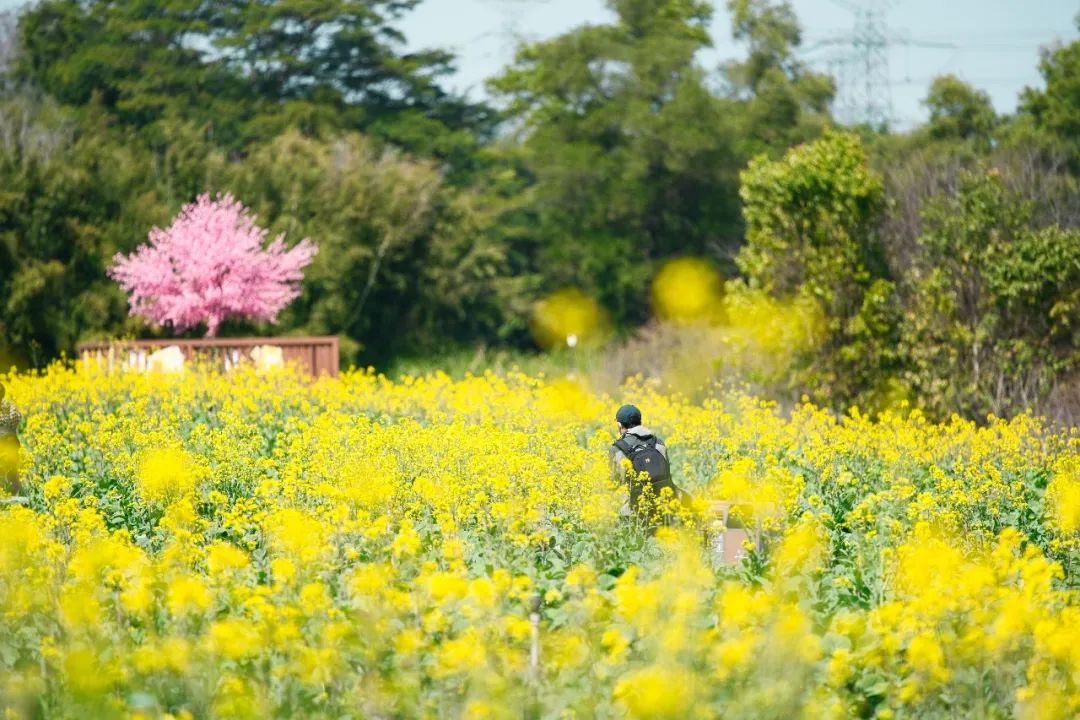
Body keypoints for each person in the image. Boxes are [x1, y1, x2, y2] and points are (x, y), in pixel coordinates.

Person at [611, 404, 688, 529]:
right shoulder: (658, 443)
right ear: (640, 421)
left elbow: (612, 484)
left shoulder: (617, 449)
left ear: (619, 425)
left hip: (631, 514)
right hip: (662, 509)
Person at [0, 383, 22, 496]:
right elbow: (18, 417)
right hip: (12, 441)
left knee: (9, 473)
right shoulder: (10, 407)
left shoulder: (8, 407)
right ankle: (15, 495)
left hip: (6, 443)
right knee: (13, 473)